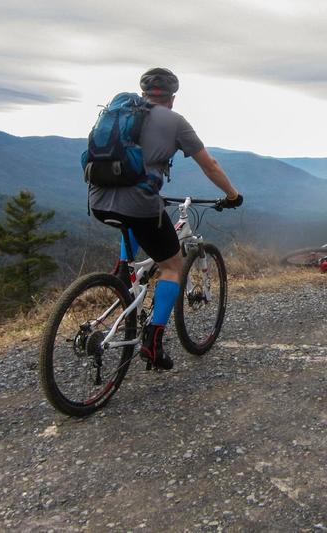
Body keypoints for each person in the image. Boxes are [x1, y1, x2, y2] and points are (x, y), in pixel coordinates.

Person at [88, 67, 243, 371]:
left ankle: (123, 270)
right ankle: (153, 341)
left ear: (144, 92)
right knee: (171, 265)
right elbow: (209, 165)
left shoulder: (120, 112)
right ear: (172, 97)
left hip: (98, 198)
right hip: (138, 202)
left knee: (133, 218)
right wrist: (233, 195)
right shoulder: (175, 121)